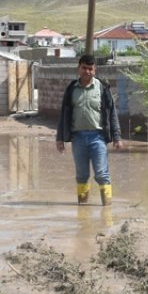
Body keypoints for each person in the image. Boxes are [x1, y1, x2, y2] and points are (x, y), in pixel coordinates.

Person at [55, 54, 123, 205]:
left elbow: (112, 114)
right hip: (77, 138)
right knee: (82, 175)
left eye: (90, 69)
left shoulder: (103, 89)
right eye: (84, 68)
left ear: (95, 70)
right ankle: (83, 207)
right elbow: (64, 115)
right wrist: (60, 138)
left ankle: (107, 208)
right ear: (78, 68)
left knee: (101, 174)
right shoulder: (72, 89)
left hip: (98, 137)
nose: (87, 71)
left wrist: (117, 137)